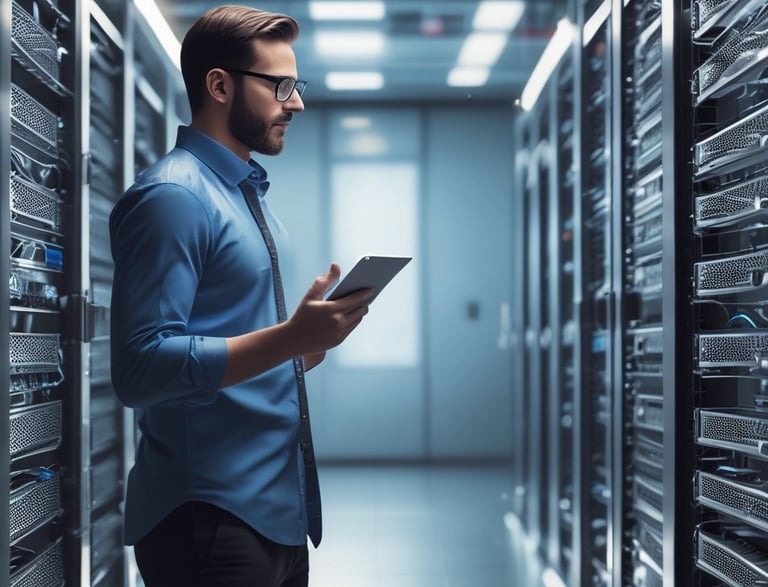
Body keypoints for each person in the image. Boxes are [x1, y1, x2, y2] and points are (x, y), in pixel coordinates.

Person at [109, 5, 371, 586]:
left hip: (274, 512)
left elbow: (235, 342)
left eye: (295, 86)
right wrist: (288, 337)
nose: (296, 102)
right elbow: (140, 368)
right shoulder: (174, 198)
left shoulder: (250, 198)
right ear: (220, 85)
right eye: (280, 86)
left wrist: (304, 347)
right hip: (208, 518)